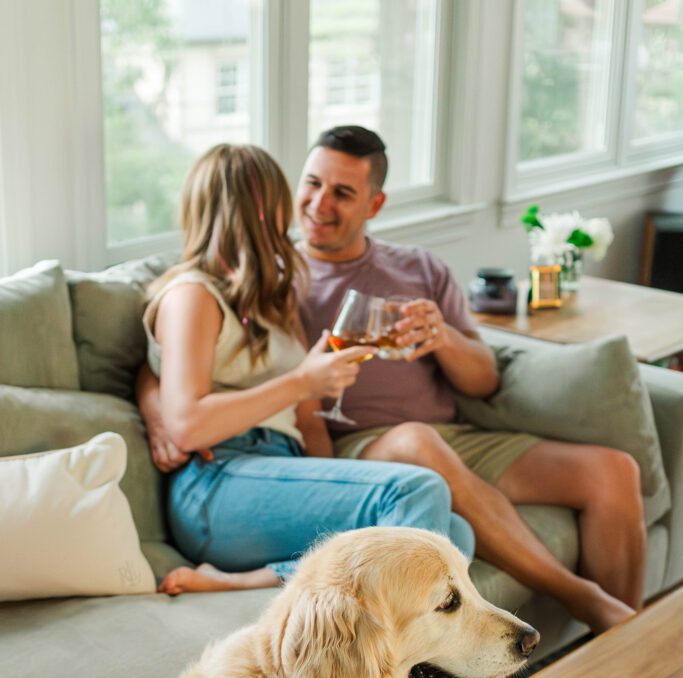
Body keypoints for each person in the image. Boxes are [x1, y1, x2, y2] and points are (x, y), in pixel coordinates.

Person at [139, 129, 645, 634]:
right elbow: (172, 349)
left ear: (374, 204)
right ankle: (576, 599)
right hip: (367, 449)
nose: (316, 204)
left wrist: (442, 336)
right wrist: (155, 403)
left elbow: (485, 380)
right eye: (310, 185)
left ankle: (627, 648)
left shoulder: (398, 270)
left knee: (596, 478)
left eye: (342, 192)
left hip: (424, 438)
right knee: (420, 460)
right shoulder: (279, 278)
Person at [137, 141, 475, 595]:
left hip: (282, 470)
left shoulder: (269, 299)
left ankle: (259, 579)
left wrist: (340, 489)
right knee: (416, 493)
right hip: (219, 483)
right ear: (258, 214)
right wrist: (301, 381)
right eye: (281, 204)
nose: (295, 215)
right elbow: (187, 425)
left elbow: (309, 420)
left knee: (453, 534)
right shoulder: (191, 295)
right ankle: (410, 661)